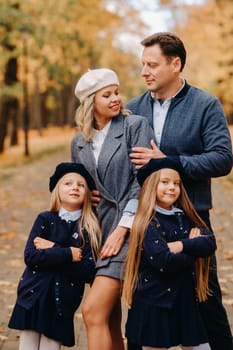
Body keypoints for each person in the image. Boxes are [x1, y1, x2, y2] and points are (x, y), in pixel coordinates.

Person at [126, 32, 233, 350]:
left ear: (176, 63)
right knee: (141, 297)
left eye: (152, 64)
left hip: (192, 215)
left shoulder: (205, 105)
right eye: (143, 64)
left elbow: (223, 158)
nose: (145, 71)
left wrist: (169, 161)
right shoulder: (132, 109)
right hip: (145, 219)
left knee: (205, 297)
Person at [71, 68, 154, 350]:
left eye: (116, 92)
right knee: (108, 319)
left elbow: (141, 182)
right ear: (89, 102)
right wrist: (84, 195)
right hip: (97, 231)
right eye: (107, 95)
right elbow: (79, 182)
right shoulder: (79, 141)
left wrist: (122, 229)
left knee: (92, 312)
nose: (116, 99)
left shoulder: (135, 126)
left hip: (128, 227)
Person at [122, 156, 217, 350]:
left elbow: (210, 243)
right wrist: (193, 246)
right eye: (165, 182)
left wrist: (182, 245)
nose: (172, 187)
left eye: (176, 183)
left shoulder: (184, 216)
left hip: (184, 300)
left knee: (202, 347)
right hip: (154, 302)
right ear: (151, 186)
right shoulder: (146, 222)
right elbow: (163, 260)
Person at [8, 162, 101, 349]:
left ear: (87, 195)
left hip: (62, 304)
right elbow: (32, 257)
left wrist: (52, 248)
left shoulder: (89, 228)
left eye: (80, 185)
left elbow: (87, 271)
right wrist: (67, 253)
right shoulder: (45, 219)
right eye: (68, 183)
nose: (75, 187)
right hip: (33, 297)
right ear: (57, 190)